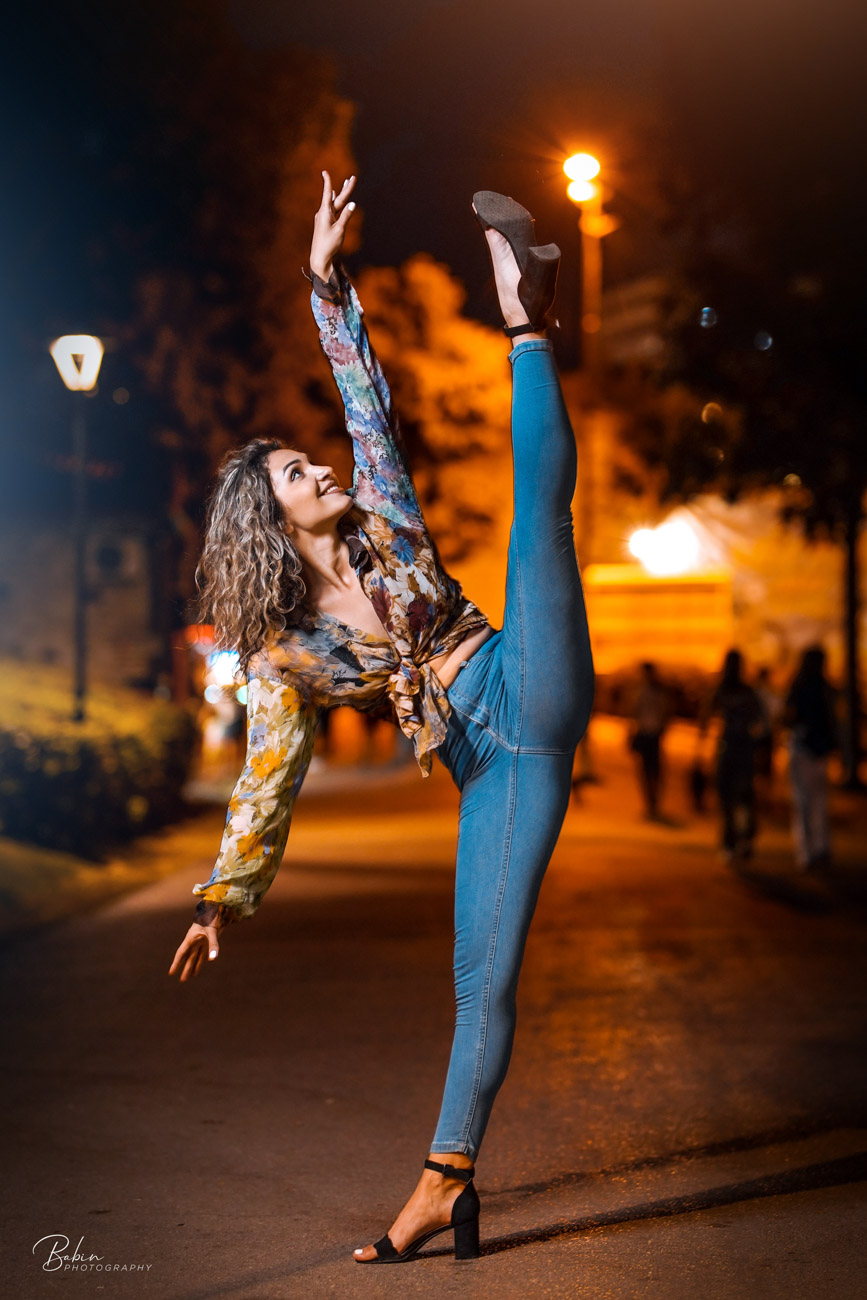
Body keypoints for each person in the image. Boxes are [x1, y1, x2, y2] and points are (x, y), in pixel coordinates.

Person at [168, 174, 594, 1264]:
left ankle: (525, 320)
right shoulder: (285, 655)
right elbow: (268, 776)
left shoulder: (384, 507)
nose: (320, 465)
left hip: (522, 674)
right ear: (272, 520)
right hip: (487, 768)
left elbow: (361, 388)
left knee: (538, 522)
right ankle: (446, 1183)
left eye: (309, 459)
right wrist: (221, 897)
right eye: (295, 472)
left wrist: (323, 281)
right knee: (480, 979)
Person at [702, 649, 764, 861]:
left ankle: (731, 841)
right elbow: (761, 719)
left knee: (727, 797)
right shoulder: (747, 692)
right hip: (744, 749)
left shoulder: (721, 690)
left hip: (728, 748)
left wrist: (702, 746)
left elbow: (706, 717)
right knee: (743, 797)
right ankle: (744, 837)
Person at [784, 645, 837, 871]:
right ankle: (816, 849)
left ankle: (810, 851)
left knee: (807, 802)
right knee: (816, 802)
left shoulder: (801, 685)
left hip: (806, 749)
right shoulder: (821, 687)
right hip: (812, 750)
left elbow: (787, 717)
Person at [629, 661, 671, 820]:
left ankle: (653, 802)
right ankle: (651, 803)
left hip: (652, 734)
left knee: (653, 771)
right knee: (647, 771)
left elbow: (665, 711)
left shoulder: (655, 691)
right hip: (646, 733)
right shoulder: (645, 691)